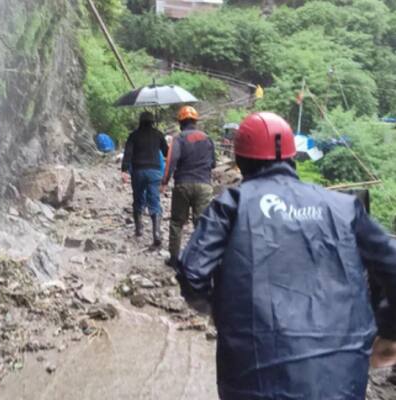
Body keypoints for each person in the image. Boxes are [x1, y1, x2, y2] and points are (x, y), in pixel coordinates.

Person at [176, 111, 396, 399]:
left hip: (252, 377)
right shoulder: (344, 207)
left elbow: (193, 274)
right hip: (341, 377)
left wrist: (217, 309)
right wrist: (387, 331)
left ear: (240, 162)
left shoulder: (231, 204)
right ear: (293, 158)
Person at [162, 105, 215, 266]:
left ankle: (174, 258)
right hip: (204, 185)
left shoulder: (179, 139)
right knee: (201, 222)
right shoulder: (207, 138)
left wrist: (164, 182)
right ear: (195, 121)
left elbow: (171, 162)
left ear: (181, 122)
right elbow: (213, 163)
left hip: (183, 184)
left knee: (177, 222)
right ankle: (201, 259)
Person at [121, 111, 169, 246]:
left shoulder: (133, 136)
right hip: (154, 171)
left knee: (138, 198)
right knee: (154, 200)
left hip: (138, 171)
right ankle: (156, 233)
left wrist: (124, 170)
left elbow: (128, 153)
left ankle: (139, 229)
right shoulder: (158, 134)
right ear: (152, 122)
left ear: (140, 121)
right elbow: (166, 152)